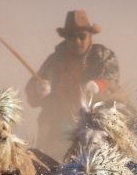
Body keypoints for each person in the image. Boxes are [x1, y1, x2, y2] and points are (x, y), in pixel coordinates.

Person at [25, 10, 120, 156]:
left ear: (90, 36)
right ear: (66, 38)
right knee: (47, 156)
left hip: (100, 120)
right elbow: (32, 86)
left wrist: (98, 85)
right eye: (71, 37)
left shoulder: (102, 55)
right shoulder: (54, 60)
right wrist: (38, 88)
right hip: (60, 122)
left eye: (82, 36)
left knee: (129, 132)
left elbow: (112, 78)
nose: (77, 41)